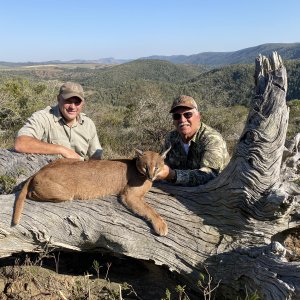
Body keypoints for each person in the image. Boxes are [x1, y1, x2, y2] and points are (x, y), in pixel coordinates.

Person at [14, 82, 102, 160]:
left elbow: (96, 159)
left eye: (77, 102)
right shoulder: (43, 117)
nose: (73, 107)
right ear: (58, 99)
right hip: (49, 175)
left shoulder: (88, 124)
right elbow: (21, 143)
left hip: (79, 174)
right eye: (68, 101)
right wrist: (62, 150)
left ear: (82, 103)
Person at [157, 95, 229, 186]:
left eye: (187, 114)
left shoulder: (212, 139)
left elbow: (210, 175)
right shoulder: (171, 138)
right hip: (179, 192)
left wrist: (173, 175)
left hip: (213, 192)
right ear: (173, 121)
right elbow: (161, 164)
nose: (182, 120)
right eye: (177, 116)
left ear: (198, 116)